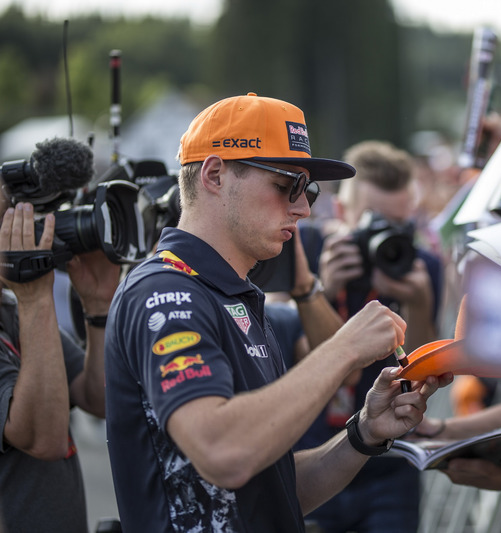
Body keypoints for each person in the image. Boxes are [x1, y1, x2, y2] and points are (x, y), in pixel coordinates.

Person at [103, 93, 450, 532]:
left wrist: (362, 433)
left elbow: (276, 491)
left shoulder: (237, 294)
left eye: (310, 190)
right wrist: (343, 348)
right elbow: (223, 453)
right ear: (214, 174)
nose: (304, 208)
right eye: (287, 186)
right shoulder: (166, 292)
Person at [296, 140, 442, 533]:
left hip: (389, 466)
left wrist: (419, 304)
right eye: (373, 223)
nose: (386, 237)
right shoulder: (304, 249)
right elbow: (284, 355)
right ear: (341, 212)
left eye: (399, 225)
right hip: (308, 458)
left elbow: (422, 374)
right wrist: (322, 292)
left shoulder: (420, 265)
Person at [0, 200, 120, 532]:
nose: (19, 233)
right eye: (6, 222)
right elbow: (44, 441)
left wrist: (99, 306)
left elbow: (101, 399)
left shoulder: (11, 311)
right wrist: (36, 298)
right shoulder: (26, 305)